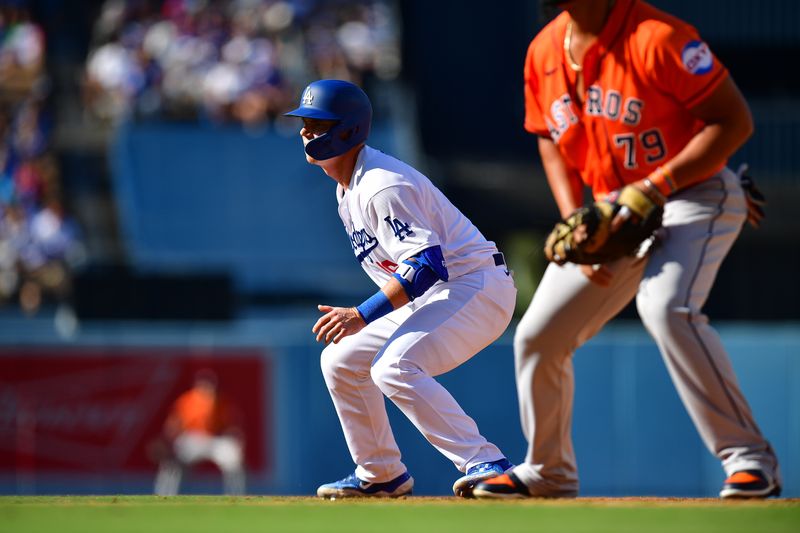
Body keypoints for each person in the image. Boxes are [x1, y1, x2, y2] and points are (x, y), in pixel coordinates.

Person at [473, 0, 780, 499]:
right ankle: (548, 472)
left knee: (665, 308)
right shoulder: (544, 51)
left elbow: (734, 120)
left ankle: (749, 460)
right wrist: (577, 218)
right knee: (538, 336)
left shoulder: (658, 37)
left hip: (693, 193)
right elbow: (548, 138)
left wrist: (656, 185)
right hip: (614, 213)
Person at [285, 79, 517, 499]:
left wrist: (360, 315)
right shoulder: (349, 186)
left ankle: (488, 463)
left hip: (475, 287)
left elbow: (427, 266)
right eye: (304, 123)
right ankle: (380, 473)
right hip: (436, 294)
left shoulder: (381, 184)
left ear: (349, 130)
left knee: (393, 366)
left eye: (316, 125)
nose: (305, 132)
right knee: (339, 360)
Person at [153, 369, 246, 496]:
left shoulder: (221, 401)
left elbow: (233, 425)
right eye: (203, 384)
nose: (206, 387)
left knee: (233, 458)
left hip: (214, 440)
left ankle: (237, 496)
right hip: (192, 439)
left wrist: (237, 440)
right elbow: (174, 423)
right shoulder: (187, 400)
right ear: (197, 385)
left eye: (209, 384)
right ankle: (164, 495)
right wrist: (166, 440)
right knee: (172, 462)